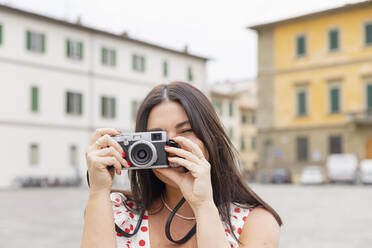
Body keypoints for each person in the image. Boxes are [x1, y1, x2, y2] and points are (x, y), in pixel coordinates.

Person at [81, 82, 281, 248]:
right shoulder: (119, 212)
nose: (171, 145)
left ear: (210, 137)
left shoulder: (255, 222)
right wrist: (98, 191)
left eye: (185, 131)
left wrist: (203, 205)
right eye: (156, 137)